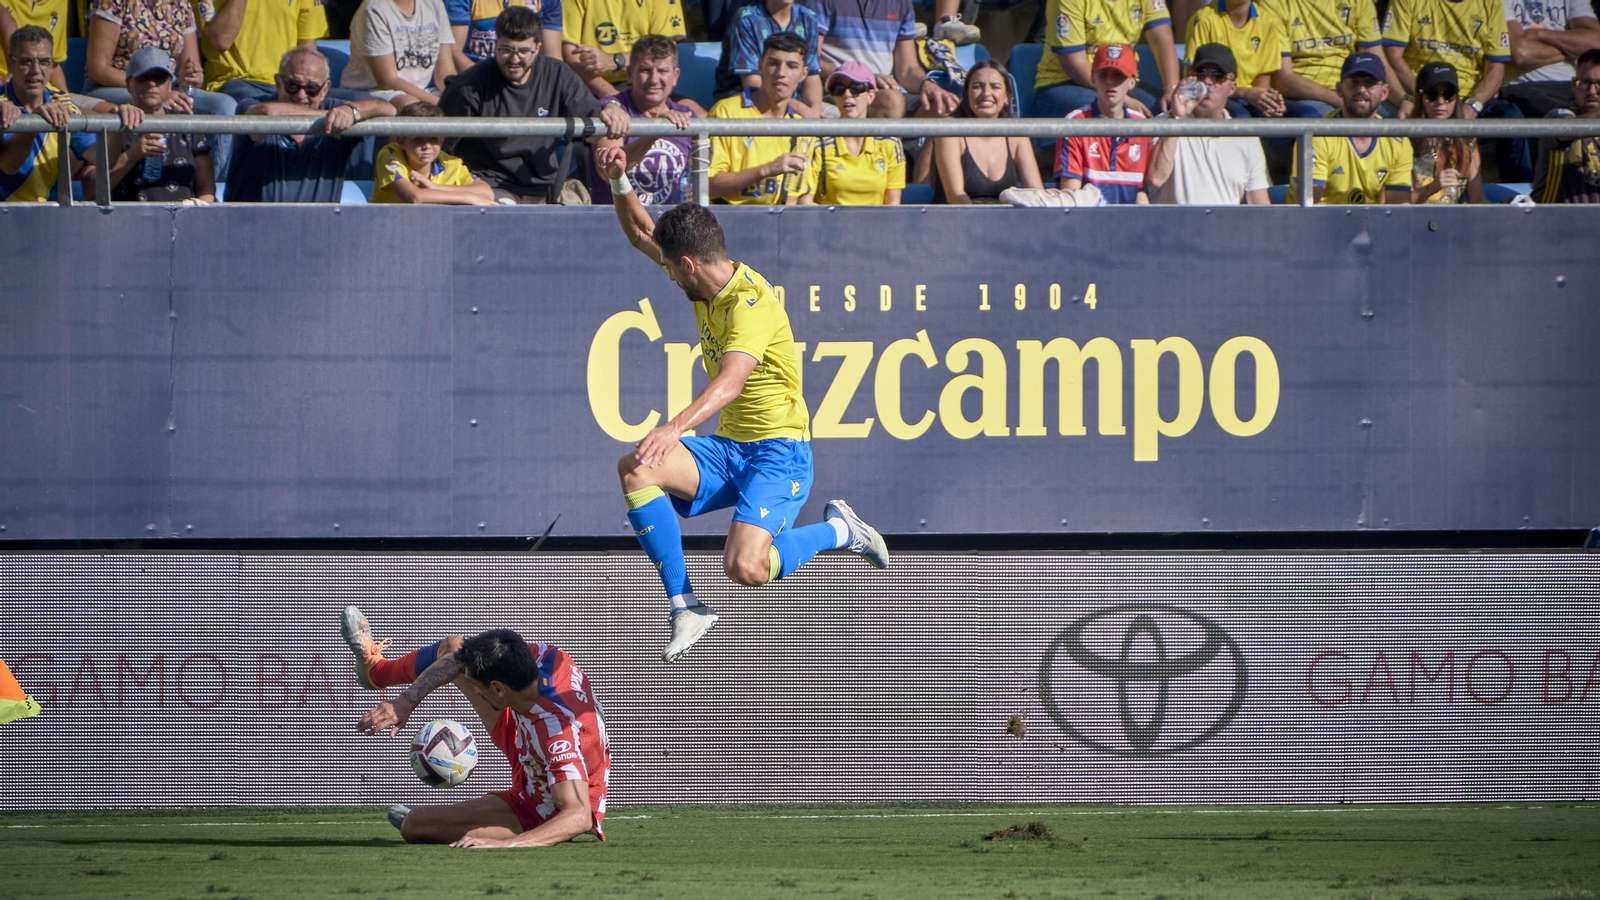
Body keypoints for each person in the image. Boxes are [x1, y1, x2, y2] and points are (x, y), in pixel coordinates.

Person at [596, 145, 891, 661]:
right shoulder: (701, 279)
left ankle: (840, 530)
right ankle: (686, 606)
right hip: (732, 447)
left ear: (689, 263)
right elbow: (641, 233)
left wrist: (674, 427)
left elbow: (731, 382)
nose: (669, 277)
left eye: (672, 270)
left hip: (780, 453)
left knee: (746, 568)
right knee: (636, 469)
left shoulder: (750, 304)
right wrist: (620, 181)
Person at [345, 608, 610, 846]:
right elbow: (460, 660)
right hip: (527, 735)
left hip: (543, 804)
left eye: (477, 687)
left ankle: (435, 820)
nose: (475, 691)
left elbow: (579, 815)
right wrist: (406, 701)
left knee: (415, 825)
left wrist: (508, 844)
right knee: (454, 648)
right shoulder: (544, 656)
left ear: (498, 688)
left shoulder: (557, 734)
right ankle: (376, 671)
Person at [439, 6, 630, 203]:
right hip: (492, 185)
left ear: (538, 48)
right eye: (506, 50)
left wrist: (611, 108)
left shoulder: (557, 74)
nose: (515, 59)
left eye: (524, 51)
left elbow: (593, 126)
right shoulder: (470, 85)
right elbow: (442, 145)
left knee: (576, 212)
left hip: (547, 186)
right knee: (504, 210)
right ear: (496, 45)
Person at [83, 0, 239, 176]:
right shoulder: (113, 3)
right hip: (116, 85)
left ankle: (213, 186)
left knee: (224, 106)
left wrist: (192, 77)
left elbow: (187, 67)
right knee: (151, 101)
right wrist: (161, 92)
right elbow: (98, 69)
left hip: (166, 86)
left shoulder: (181, 4)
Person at [227, 47, 397, 202]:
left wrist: (351, 112)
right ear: (278, 83)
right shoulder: (252, 105)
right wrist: (331, 116)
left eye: (312, 88)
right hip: (251, 223)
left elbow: (388, 108)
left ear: (325, 89)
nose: (301, 95)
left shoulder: (339, 109)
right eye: (292, 86)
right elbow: (268, 113)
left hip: (318, 223)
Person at [1145, 43, 1271, 204]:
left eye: (1218, 75)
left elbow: (1259, 203)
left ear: (1232, 88)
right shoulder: (1163, 124)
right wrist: (1176, 117)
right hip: (1175, 221)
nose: (1207, 81)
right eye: (1200, 74)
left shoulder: (1246, 137)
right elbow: (1155, 179)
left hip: (1225, 221)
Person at [1291, 50, 1412, 204]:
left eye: (1369, 82)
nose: (1361, 89)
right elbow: (1310, 204)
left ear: (1384, 92)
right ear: (1339, 89)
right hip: (1321, 218)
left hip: (1366, 218)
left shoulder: (1399, 141)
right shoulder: (1316, 135)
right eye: (1354, 82)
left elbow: (1399, 205)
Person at [587, 34, 696, 205]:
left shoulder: (686, 115)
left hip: (668, 220)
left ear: (675, 76)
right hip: (616, 218)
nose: (654, 80)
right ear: (630, 74)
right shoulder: (614, 110)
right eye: (645, 70)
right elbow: (608, 170)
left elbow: (699, 169)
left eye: (662, 71)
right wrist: (655, 132)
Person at [707, 31, 815, 204]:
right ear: (760, 66)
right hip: (726, 216)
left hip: (779, 219)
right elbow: (707, 186)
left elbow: (795, 196)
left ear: (804, 74)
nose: (781, 73)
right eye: (773, 63)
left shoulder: (802, 128)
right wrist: (767, 169)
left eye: (791, 66)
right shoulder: (725, 112)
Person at [806, 0, 961, 118]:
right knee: (891, 100)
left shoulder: (901, 3)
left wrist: (927, 85)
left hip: (882, 92)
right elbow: (810, 57)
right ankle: (890, 150)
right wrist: (858, 77)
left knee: (945, 105)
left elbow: (907, 69)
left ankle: (907, 150)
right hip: (839, 92)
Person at [1033, 0, 1180, 120]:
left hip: (1122, 82)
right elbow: (1073, 63)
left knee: (1169, 111)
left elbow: (1162, 39)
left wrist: (1171, 89)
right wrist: (1122, 101)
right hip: (1064, 83)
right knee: (1110, 112)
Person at [106, 47, 218, 203]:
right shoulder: (118, 124)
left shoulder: (187, 125)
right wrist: (132, 156)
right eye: (142, 77)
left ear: (170, 86)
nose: (151, 83)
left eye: (159, 78)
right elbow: (95, 189)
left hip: (184, 216)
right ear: (128, 84)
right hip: (132, 216)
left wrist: (197, 206)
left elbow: (207, 187)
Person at [1, 26, 97, 202]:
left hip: (49, 214)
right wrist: (35, 123)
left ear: (52, 66)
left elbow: (99, 156)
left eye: (44, 62)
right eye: (27, 62)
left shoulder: (62, 104)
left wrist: (121, 121)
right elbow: (9, 165)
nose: (36, 70)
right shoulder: (2, 105)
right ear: (11, 64)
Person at [932, 59, 1043, 203]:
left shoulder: (1016, 134)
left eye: (995, 87)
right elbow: (955, 196)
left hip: (1004, 216)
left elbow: (1036, 192)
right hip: (960, 215)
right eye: (977, 87)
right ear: (967, 94)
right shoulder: (950, 130)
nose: (986, 93)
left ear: (1007, 97)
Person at [1266, 0, 1397, 118]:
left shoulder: (1359, 2)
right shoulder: (1275, 4)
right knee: (1327, 119)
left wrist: (1404, 99)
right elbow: (1284, 79)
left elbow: (1380, 64)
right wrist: (1343, 99)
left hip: (1355, 88)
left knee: (1400, 116)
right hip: (1307, 97)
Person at [1381, 0, 1509, 119]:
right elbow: (1392, 56)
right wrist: (1424, 97)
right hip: (1417, 92)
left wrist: (1473, 106)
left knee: (1510, 115)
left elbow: (1496, 68)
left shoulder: (1491, 3)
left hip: (1469, 96)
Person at [1057, 43, 1152, 204]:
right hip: (1087, 217)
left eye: (1118, 75)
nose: (1110, 81)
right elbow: (1071, 195)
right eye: (1103, 74)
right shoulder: (1074, 123)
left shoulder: (1143, 126)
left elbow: (1143, 191)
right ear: (1093, 79)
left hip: (1131, 218)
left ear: (1132, 82)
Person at [800, 61, 905, 204]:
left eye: (856, 88)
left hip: (877, 219)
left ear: (871, 95)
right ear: (833, 97)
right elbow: (805, 203)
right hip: (829, 219)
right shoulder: (819, 144)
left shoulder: (890, 143)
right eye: (839, 89)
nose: (847, 94)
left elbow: (893, 205)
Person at [199, 0, 341, 104]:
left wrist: (310, 90)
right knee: (266, 113)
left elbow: (307, 47)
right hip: (237, 82)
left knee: (347, 107)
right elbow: (221, 40)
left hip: (290, 84)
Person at [714, 0, 824, 115]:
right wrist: (800, 109)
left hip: (791, 101)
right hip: (746, 102)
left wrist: (814, 113)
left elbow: (812, 74)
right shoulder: (747, 18)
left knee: (833, 119)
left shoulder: (808, 18)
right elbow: (752, 82)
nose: (781, 72)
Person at [372, 101, 495, 203]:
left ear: (442, 140)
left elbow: (486, 192)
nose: (427, 146)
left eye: (434, 139)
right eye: (419, 139)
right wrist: (469, 197)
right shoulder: (390, 154)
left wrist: (434, 187)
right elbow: (415, 197)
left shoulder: (449, 162)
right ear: (401, 141)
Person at [562, 0, 686, 100]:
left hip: (643, 83)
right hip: (589, 85)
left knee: (693, 111)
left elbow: (665, 50)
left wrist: (615, 60)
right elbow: (569, 53)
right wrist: (610, 94)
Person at [341, 0, 457, 106]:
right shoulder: (373, 10)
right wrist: (440, 104)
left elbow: (444, 71)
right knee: (413, 106)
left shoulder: (435, 4)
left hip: (424, 90)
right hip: (373, 91)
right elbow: (388, 81)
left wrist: (457, 96)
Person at [1185, 0, 1289, 117]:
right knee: (1241, 116)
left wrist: (1269, 101)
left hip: (1252, 95)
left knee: (1296, 113)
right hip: (1214, 94)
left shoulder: (1268, 21)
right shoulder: (1203, 20)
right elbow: (1196, 78)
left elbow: (1263, 80)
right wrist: (1245, 93)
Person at [1406, 61, 1487, 203]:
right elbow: (1396, 202)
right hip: (1414, 215)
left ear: (1457, 98)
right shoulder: (1405, 140)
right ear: (1420, 98)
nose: (1440, 102)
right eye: (1432, 94)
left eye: (1448, 95)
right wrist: (1433, 187)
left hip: (1452, 216)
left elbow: (1478, 198)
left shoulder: (1468, 141)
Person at [1532, 48, 1600, 203]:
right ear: (1573, 86)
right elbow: (1565, 131)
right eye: (1585, 82)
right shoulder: (1558, 116)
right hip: (1555, 216)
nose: (1592, 91)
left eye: (1599, 84)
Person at [447, 0, 561, 68]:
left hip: (524, 76)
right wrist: (482, 81)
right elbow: (453, 51)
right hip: (475, 75)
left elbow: (552, 56)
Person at [0, 0, 68, 91]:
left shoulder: (59, 2)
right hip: (6, 86)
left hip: (40, 89)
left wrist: (66, 96)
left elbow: (53, 63)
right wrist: (14, 72)